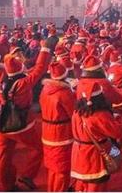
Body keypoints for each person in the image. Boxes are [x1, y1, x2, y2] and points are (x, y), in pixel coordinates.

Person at [0, 45, 51, 191]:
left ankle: (6, 185)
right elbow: (40, 69)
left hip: (1, 125)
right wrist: (45, 49)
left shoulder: (2, 84)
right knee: (39, 149)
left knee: (4, 157)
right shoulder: (22, 83)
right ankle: (27, 176)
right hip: (20, 126)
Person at [71, 82, 122, 191]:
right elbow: (117, 132)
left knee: (81, 183)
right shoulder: (100, 115)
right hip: (94, 156)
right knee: (96, 185)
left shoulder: (77, 111)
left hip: (78, 153)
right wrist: (121, 119)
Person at [40, 61, 77, 192]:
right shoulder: (64, 92)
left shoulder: (45, 89)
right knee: (63, 167)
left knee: (52, 166)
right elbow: (74, 112)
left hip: (47, 131)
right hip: (62, 134)